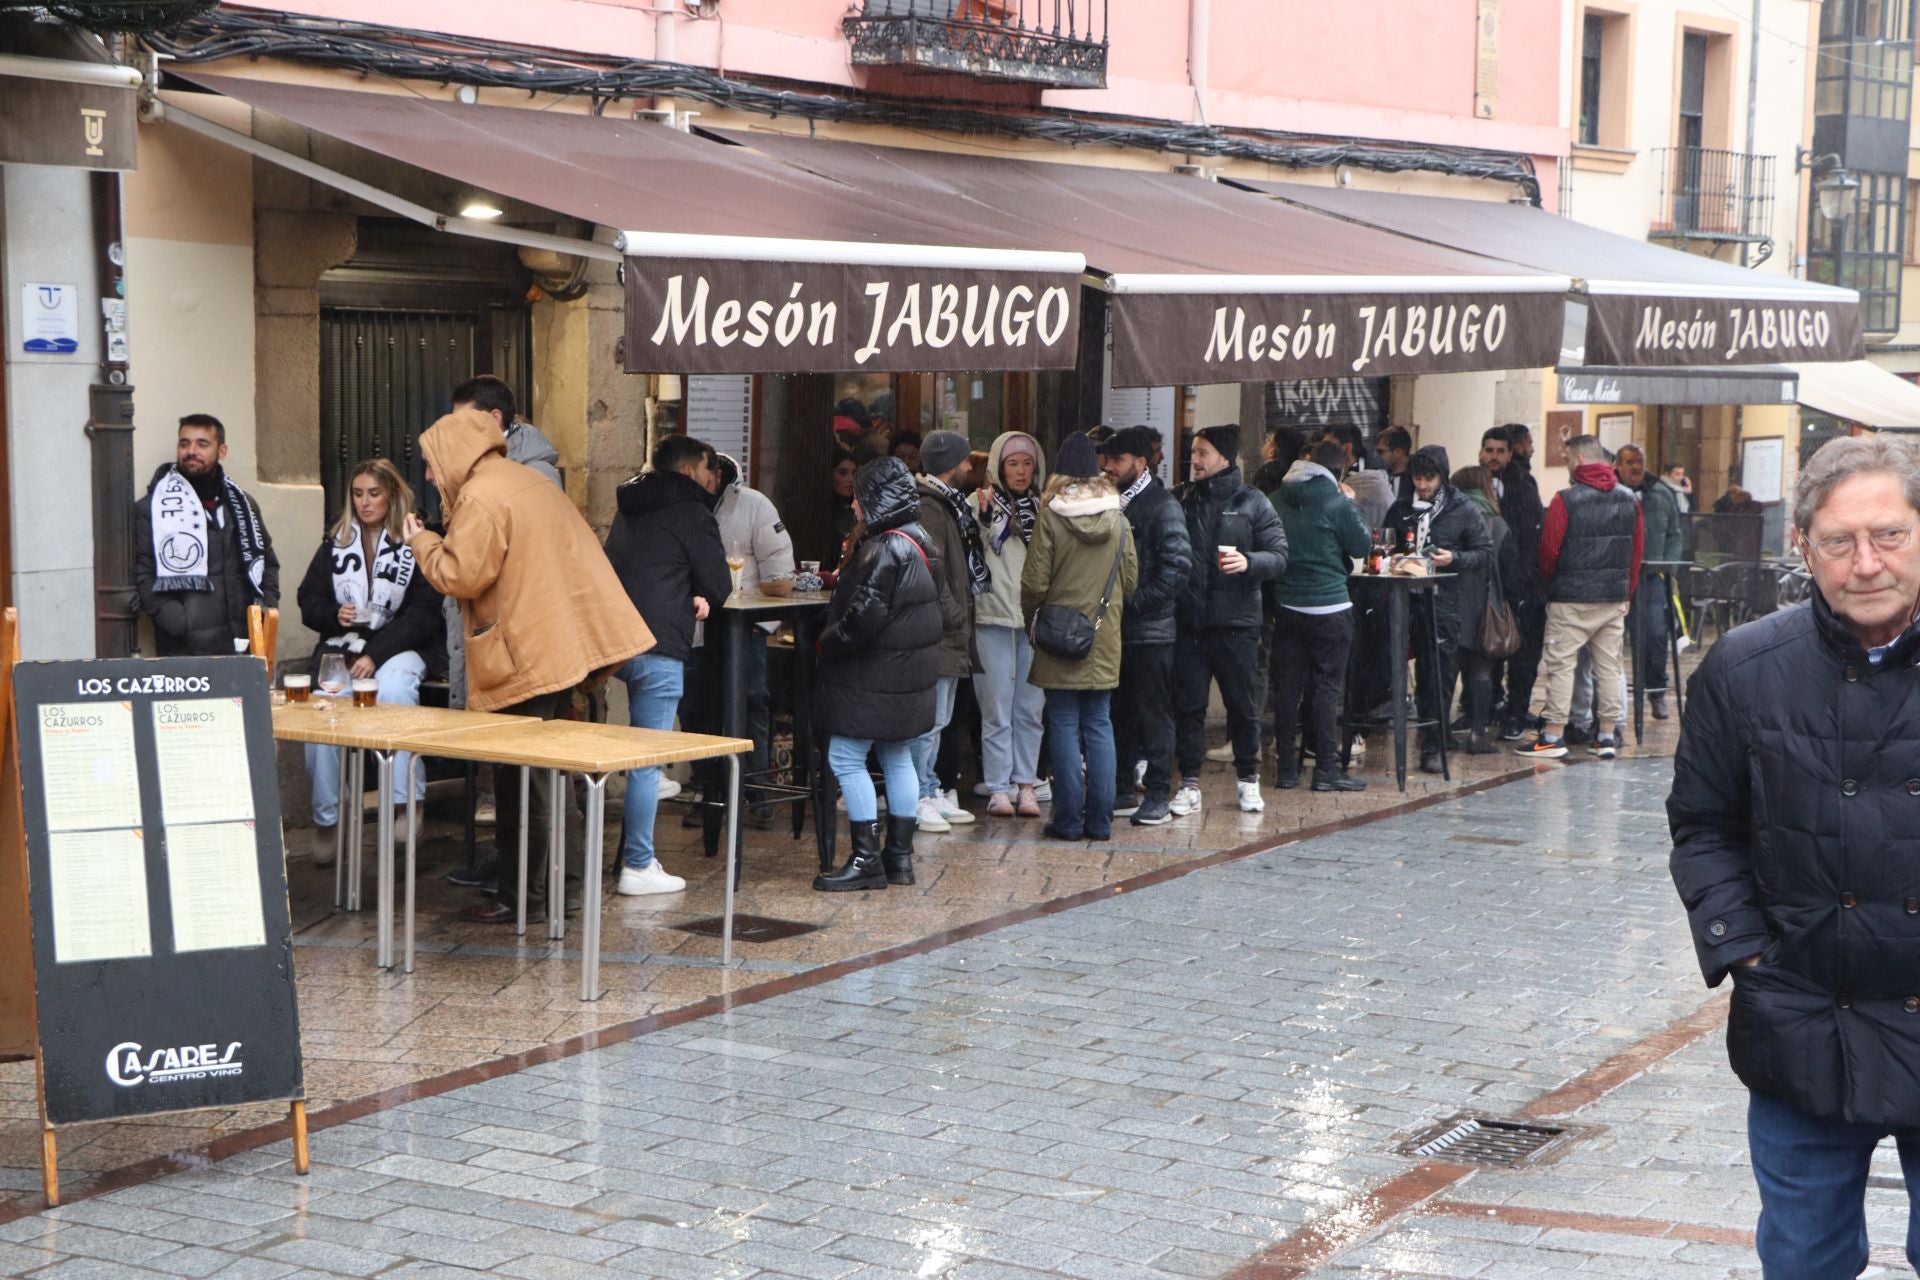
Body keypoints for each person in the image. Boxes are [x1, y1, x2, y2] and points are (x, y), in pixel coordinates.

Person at [1668, 434, 1920, 1280]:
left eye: (1889, 535)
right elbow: (1703, 826)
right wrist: (1748, 953)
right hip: (1808, 1019)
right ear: (1803, 549)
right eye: (1840, 542)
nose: (1866, 563)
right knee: (1805, 1259)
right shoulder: (1744, 668)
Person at [403, 408, 654, 924]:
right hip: (558, 649)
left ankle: (531, 900)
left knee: (526, 788)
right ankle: (561, 891)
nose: (428, 475)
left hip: (525, 657)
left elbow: (461, 574)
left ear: (452, 454)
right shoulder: (526, 481)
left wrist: (421, 540)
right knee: (548, 780)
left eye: (430, 462)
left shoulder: (481, 495)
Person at [441, 376, 565, 881]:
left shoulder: (529, 477)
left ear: (493, 420)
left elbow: (477, 570)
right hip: (496, 639)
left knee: (531, 773)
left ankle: (532, 883)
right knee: (509, 768)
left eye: (461, 421)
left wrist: (429, 548)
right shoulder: (481, 476)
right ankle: (518, 869)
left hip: (521, 645)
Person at [602, 435, 732, 897]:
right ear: (692, 468)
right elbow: (719, 583)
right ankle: (637, 863)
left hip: (617, 641)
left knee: (639, 758)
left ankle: (635, 844)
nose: (712, 478)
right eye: (708, 468)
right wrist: (701, 590)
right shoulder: (693, 512)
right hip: (660, 645)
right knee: (646, 762)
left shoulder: (629, 505)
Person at [295, 459, 440, 864]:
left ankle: (405, 802)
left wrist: (376, 654)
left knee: (394, 691)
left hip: (400, 646)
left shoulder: (417, 539)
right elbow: (308, 600)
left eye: (373, 493)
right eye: (357, 494)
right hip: (345, 645)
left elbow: (425, 612)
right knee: (322, 713)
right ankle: (328, 818)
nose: (364, 502)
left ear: (392, 495)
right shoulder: (337, 541)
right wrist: (332, 614)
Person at [813, 457, 943, 892]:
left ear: (875, 500)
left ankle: (866, 859)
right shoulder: (921, 540)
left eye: (859, 498)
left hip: (872, 674)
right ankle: (899, 859)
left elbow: (862, 621)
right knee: (897, 756)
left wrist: (825, 641)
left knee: (846, 759)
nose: (853, 506)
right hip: (908, 676)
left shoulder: (885, 547)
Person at [1021, 432, 1138, 842]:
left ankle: (1068, 821)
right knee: (1099, 724)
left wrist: (1032, 620)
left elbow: (1034, 580)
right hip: (1103, 638)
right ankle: (1101, 822)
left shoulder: (1051, 515)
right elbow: (1131, 580)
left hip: (1057, 636)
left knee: (1065, 724)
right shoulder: (1120, 519)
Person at [1173, 425, 1289, 816]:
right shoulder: (1182, 498)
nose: (1195, 460)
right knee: (1189, 709)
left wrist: (1249, 562)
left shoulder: (1253, 501)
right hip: (1190, 624)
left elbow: (1279, 555)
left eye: (1202, 452)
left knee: (1243, 707)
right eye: (1193, 452)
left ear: (1224, 456)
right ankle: (1189, 784)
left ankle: (1249, 780)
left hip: (1237, 624)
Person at [1516, 435, 1642, 762]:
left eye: (1569, 459)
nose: (1568, 465)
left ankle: (1553, 735)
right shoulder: (1630, 499)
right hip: (1613, 598)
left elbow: (1549, 550)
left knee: (1561, 666)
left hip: (1570, 597)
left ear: (1582, 460)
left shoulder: (1565, 500)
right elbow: (1636, 551)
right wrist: (1626, 592)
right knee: (1609, 666)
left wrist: (1550, 583)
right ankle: (1605, 735)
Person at [1098, 426, 1192, 825]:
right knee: (1120, 713)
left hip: (1150, 630)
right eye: (1106, 460)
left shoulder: (1160, 505)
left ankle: (1157, 794)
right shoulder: (1117, 502)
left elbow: (1176, 570)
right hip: (1122, 629)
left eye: (1117, 461)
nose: (1108, 468)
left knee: (1154, 715)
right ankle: (1120, 789)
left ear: (1140, 463)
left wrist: (1132, 604)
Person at [697, 451, 796, 818]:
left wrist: (764, 620)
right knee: (700, 706)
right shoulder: (688, 502)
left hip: (744, 622)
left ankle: (756, 787)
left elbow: (779, 561)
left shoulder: (753, 504)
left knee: (753, 700)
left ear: (721, 473)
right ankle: (707, 788)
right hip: (699, 622)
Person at [134, 413, 280, 657]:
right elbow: (143, 576)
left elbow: (268, 563)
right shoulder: (152, 509)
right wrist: (181, 622)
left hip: (244, 644)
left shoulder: (243, 506)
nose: (191, 451)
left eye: (202, 444)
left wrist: (267, 608)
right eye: (184, 443)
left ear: (222, 450)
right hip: (185, 652)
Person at [1269, 439, 1370, 792]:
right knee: (1326, 689)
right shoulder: (1335, 500)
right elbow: (1361, 545)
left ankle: (1285, 770)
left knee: (1287, 689)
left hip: (1286, 605)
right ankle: (1326, 769)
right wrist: (1351, 504)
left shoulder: (1276, 498)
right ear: (1339, 470)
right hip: (1330, 606)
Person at [1386, 446, 1492, 774]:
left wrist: (1454, 559)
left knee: (1439, 676)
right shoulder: (1402, 507)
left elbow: (1484, 552)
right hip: (1405, 599)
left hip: (1443, 604)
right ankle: (1425, 732)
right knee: (1404, 671)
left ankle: (1434, 744)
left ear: (1442, 477)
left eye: (1429, 478)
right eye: (1417, 477)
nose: (1423, 484)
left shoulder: (1463, 509)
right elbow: (1384, 542)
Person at [971, 432, 1049, 818]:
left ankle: (1027, 785)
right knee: (996, 707)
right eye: (1012, 463)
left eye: (1027, 463)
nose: (1020, 471)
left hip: (1034, 622)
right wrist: (985, 520)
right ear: (999, 467)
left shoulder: (1045, 507)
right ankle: (999, 788)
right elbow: (973, 552)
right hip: (992, 616)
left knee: (1030, 709)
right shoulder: (979, 503)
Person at [911, 429, 983, 832]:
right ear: (950, 465)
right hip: (941, 633)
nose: (970, 467)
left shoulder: (946, 505)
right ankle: (921, 795)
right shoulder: (932, 508)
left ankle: (931, 787)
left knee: (940, 719)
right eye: (965, 460)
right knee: (931, 721)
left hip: (949, 633)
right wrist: (955, 616)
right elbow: (931, 570)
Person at [1448, 464, 1518, 753]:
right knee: (1482, 671)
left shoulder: (1448, 519)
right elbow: (1510, 570)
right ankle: (1478, 733)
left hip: (1449, 604)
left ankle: (1439, 733)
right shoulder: (1497, 525)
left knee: (1447, 672)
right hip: (1485, 608)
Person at [1617, 444, 1685, 719]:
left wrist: (1666, 567)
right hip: (1618, 576)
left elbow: (1675, 534)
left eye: (1640, 461)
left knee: (1656, 634)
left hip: (1651, 576)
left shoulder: (1661, 493)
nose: (1636, 467)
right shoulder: (1611, 493)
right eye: (1630, 461)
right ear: (1618, 465)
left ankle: (1657, 691)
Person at [1496, 423, 1549, 741]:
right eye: (1528, 442)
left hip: (1512, 579)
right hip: (1523, 582)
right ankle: (1515, 711)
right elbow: (1530, 534)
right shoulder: (1520, 482)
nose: (1531, 447)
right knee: (1524, 653)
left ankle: (1506, 707)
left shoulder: (1509, 481)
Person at [1322, 426, 1396, 529]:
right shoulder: (1325, 471)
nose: (1323, 450)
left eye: (1329, 446)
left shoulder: (1375, 473)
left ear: (1347, 448)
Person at [828, 446, 859, 571]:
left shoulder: (859, 511)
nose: (850, 479)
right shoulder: (821, 511)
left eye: (854, 473)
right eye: (842, 473)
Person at [1377, 426, 1415, 507]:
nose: (1377, 456)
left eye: (1381, 452)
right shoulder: (1381, 475)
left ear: (1398, 451)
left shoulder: (1417, 478)